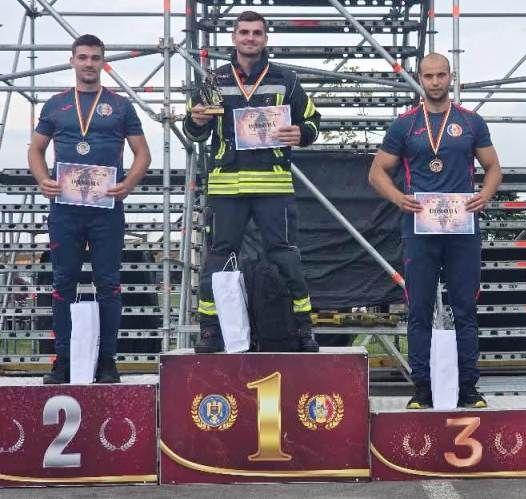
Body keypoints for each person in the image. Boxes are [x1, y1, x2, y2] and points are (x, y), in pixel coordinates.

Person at [368, 53, 502, 409]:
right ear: (420, 78)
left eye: (441, 75)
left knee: (465, 308)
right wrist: (398, 197)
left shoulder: (471, 121)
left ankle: (468, 387)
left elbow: (493, 167)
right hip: (420, 228)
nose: (436, 82)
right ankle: (422, 388)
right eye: (429, 76)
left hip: (462, 228)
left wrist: (486, 194)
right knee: (419, 309)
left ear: (451, 77)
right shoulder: (404, 124)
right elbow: (377, 172)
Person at [184, 10, 321, 353]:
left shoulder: (286, 79)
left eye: (256, 33)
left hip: (272, 184)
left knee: (286, 257)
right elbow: (194, 132)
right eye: (244, 32)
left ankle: (303, 328)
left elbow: (313, 122)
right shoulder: (213, 80)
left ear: (265, 38)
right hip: (226, 185)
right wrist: (196, 121)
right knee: (219, 258)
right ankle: (210, 330)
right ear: (234, 37)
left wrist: (301, 133)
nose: (250, 38)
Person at [28, 34, 151, 384]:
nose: (88, 63)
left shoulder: (120, 106)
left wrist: (128, 183)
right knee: (62, 284)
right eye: (82, 57)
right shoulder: (55, 105)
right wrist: (42, 179)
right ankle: (63, 361)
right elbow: (35, 149)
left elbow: (143, 154)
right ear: (72, 61)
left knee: (108, 284)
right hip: (65, 209)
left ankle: (107, 361)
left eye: (95, 58)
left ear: (103, 62)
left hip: (105, 209)